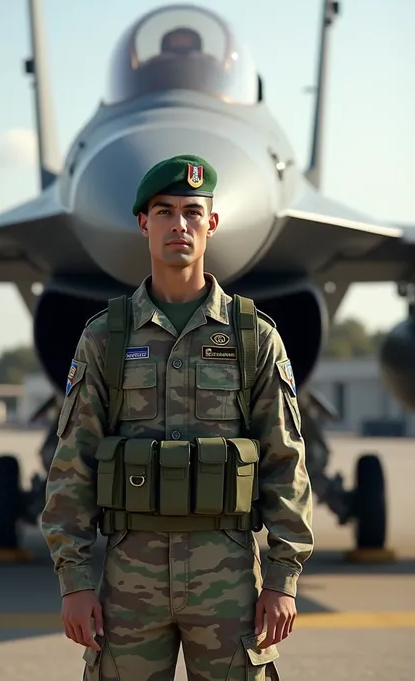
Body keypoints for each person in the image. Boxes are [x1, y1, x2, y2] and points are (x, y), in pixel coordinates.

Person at [41, 154, 314, 681]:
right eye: (164, 212)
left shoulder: (252, 336)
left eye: (192, 211)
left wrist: (283, 578)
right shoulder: (106, 337)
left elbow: (285, 459)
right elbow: (73, 463)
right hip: (129, 580)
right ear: (143, 224)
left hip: (227, 576)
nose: (179, 225)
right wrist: (74, 581)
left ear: (212, 223)